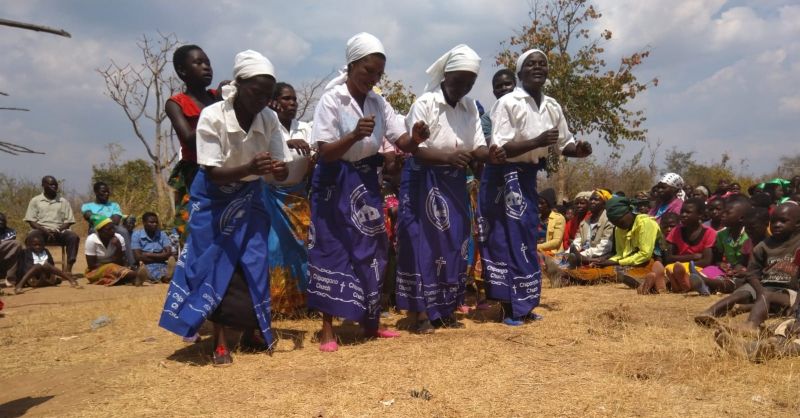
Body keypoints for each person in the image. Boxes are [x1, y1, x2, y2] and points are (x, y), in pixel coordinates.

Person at [159, 50, 288, 366]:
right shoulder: (213, 116)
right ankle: (219, 342)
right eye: (256, 92)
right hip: (215, 199)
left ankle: (253, 331)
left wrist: (281, 170)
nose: (262, 100)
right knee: (217, 265)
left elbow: (279, 166)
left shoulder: (269, 118)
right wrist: (249, 166)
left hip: (252, 196)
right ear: (239, 85)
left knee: (253, 263)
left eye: (267, 95)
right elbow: (213, 172)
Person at [306, 32, 429, 351]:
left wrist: (415, 138)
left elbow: (402, 143)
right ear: (351, 66)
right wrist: (351, 135)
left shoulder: (378, 102)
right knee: (332, 249)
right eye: (367, 71)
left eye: (378, 74)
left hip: (365, 181)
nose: (372, 79)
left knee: (371, 248)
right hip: (334, 179)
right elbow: (324, 150)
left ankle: (369, 323)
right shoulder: (332, 100)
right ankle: (328, 328)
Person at [394, 44, 504, 334]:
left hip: (454, 180)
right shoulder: (426, 103)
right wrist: (447, 157)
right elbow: (415, 148)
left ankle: (443, 308)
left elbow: (477, 145)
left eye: (469, 83)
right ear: (445, 76)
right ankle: (420, 314)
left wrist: (489, 155)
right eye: (459, 81)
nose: (464, 88)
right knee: (422, 245)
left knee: (452, 242)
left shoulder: (469, 107)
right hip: (422, 178)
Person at [478, 48, 592, 326]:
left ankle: (525, 305)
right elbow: (500, 145)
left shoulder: (552, 106)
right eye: (531, 65)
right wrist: (538, 141)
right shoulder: (509, 102)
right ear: (519, 73)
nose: (538, 68)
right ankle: (508, 306)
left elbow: (565, 143)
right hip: (502, 175)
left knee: (526, 237)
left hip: (527, 175)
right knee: (504, 238)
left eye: (542, 64)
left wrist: (580, 150)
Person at [262, 81, 314, 316]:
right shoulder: (267, 127)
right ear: (273, 102)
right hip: (271, 195)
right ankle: (277, 304)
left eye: (294, 99)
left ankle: (302, 302)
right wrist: (286, 144)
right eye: (286, 98)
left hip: (298, 195)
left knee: (302, 247)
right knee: (274, 249)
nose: (291, 103)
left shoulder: (305, 128)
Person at [165, 44, 222, 243]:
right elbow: (189, 139)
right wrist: (219, 111)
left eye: (208, 62)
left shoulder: (218, 96)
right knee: (194, 228)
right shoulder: (176, 103)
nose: (206, 67)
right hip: (196, 174)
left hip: (225, 169)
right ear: (182, 71)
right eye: (198, 63)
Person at [715, 203, 800, 336]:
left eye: (783, 221)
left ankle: (751, 325)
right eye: (773, 221)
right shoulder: (763, 246)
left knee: (767, 296)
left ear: (797, 224)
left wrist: (797, 304)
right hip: (767, 289)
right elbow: (752, 274)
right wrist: (760, 291)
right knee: (747, 293)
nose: (776, 225)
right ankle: (710, 313)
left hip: (792, 293)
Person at [596, 196, 664, 290]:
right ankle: (573, 275)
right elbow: (621, 253)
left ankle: (650, 281)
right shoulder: (619, 228)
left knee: (615, 271)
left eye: (619, 220)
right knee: (603, 270)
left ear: (628, 212)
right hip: (630, 262)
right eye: (614, 222)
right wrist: (608, 261)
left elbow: (645, 254)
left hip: (650, 261)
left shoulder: (645, 223)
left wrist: (617, 262)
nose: (618, 224)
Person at [660, 198, 717, 294]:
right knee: (670, 268)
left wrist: (685, 265)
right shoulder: (676, 231)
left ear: (700, 215)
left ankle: (679, 284)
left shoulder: (710, 233)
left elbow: (706, 261)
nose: (683, 215)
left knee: (702, 273)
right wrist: (693, 257)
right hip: (677, 267)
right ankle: (679, 284)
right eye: (682, 212)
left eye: (688, 212)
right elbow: (668, 258)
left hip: (699, 268)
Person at [23, 176, 79, 274]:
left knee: (73, 237)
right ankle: (30, 269)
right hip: (41, 231)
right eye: (51, 184)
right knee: (31, 237)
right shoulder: (35, 200)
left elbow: (69, 221)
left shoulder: (63, 201)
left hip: (59, 231)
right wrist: (44, 230)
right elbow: (31, 221)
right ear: (43, 185)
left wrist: (58, 230)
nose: (54, 186)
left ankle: (68, 269)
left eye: (55, 185)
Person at [81, 181, 135, 268]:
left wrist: (98, 218)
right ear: (96, 192)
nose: (106, 194)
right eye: (103, 192)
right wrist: (107, 220)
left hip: (113, 227)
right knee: (92, 233)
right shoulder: (87, 206)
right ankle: (95, 263)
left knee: (123, 231)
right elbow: (90, 218)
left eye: (108, 192)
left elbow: (116, 220)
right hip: (96, 229)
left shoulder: (114, 205)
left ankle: (131, 263)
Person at [13, 230, 79, 293]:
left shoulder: (46, 251)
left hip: (47, 278)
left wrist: (44, 267)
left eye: (40, 245)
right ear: (29, 245)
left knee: (46, 265)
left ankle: (71, 280)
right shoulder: (25, 252)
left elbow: (51, 265)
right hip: (33, 279)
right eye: (35, 245)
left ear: (44, 245)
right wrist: (38, 267)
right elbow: (22, 268)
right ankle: (20, 285)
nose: (38, 247)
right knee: (38, 266)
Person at [85, 215, 139, 286]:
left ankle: (130, 277)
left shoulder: (119, 238)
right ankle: (136, 275)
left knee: (118, 268)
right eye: (108, 229)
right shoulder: (91, 240)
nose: (112, 231)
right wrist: (109, 266)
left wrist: (118, 246)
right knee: (112, 267)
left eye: (113, 228)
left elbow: (120, 262)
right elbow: (91, 265)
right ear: (99, 231)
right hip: (95, 271)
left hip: (117, 268)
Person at [131, 212, 173, 284]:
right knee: (151, 272)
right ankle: (165, 278)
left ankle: (168, 276)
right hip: (145, 265)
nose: (155, 224)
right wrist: (161, 255)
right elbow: (138, 257)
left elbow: (168, 254)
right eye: (151, 222)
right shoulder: (136, 235)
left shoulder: (162, 234)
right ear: (144, 223)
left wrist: (147, 254)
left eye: (156, 222)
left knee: (176, 270)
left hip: (162, 264)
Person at [480, 69, 516, 140]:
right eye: (499, 86)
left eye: (507, 84)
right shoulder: (487, 118)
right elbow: (490, 143)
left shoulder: (529, 109)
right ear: (494, 92)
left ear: (516, 86)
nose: (504, 88)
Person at [537, 188, 566, 253]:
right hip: (535, 252)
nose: (539, 206)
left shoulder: (558, 218)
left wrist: (537, 247)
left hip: (553, 254)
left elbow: (556, 242)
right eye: (538, 203)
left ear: (549, 204)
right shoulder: (536, 219)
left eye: (542, 203)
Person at [0, 213, 21, 286]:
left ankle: (10, 279)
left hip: (4, 255)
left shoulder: (10, 232)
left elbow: (10, 247)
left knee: (16, 246)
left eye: (2, 220)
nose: (1, 222)